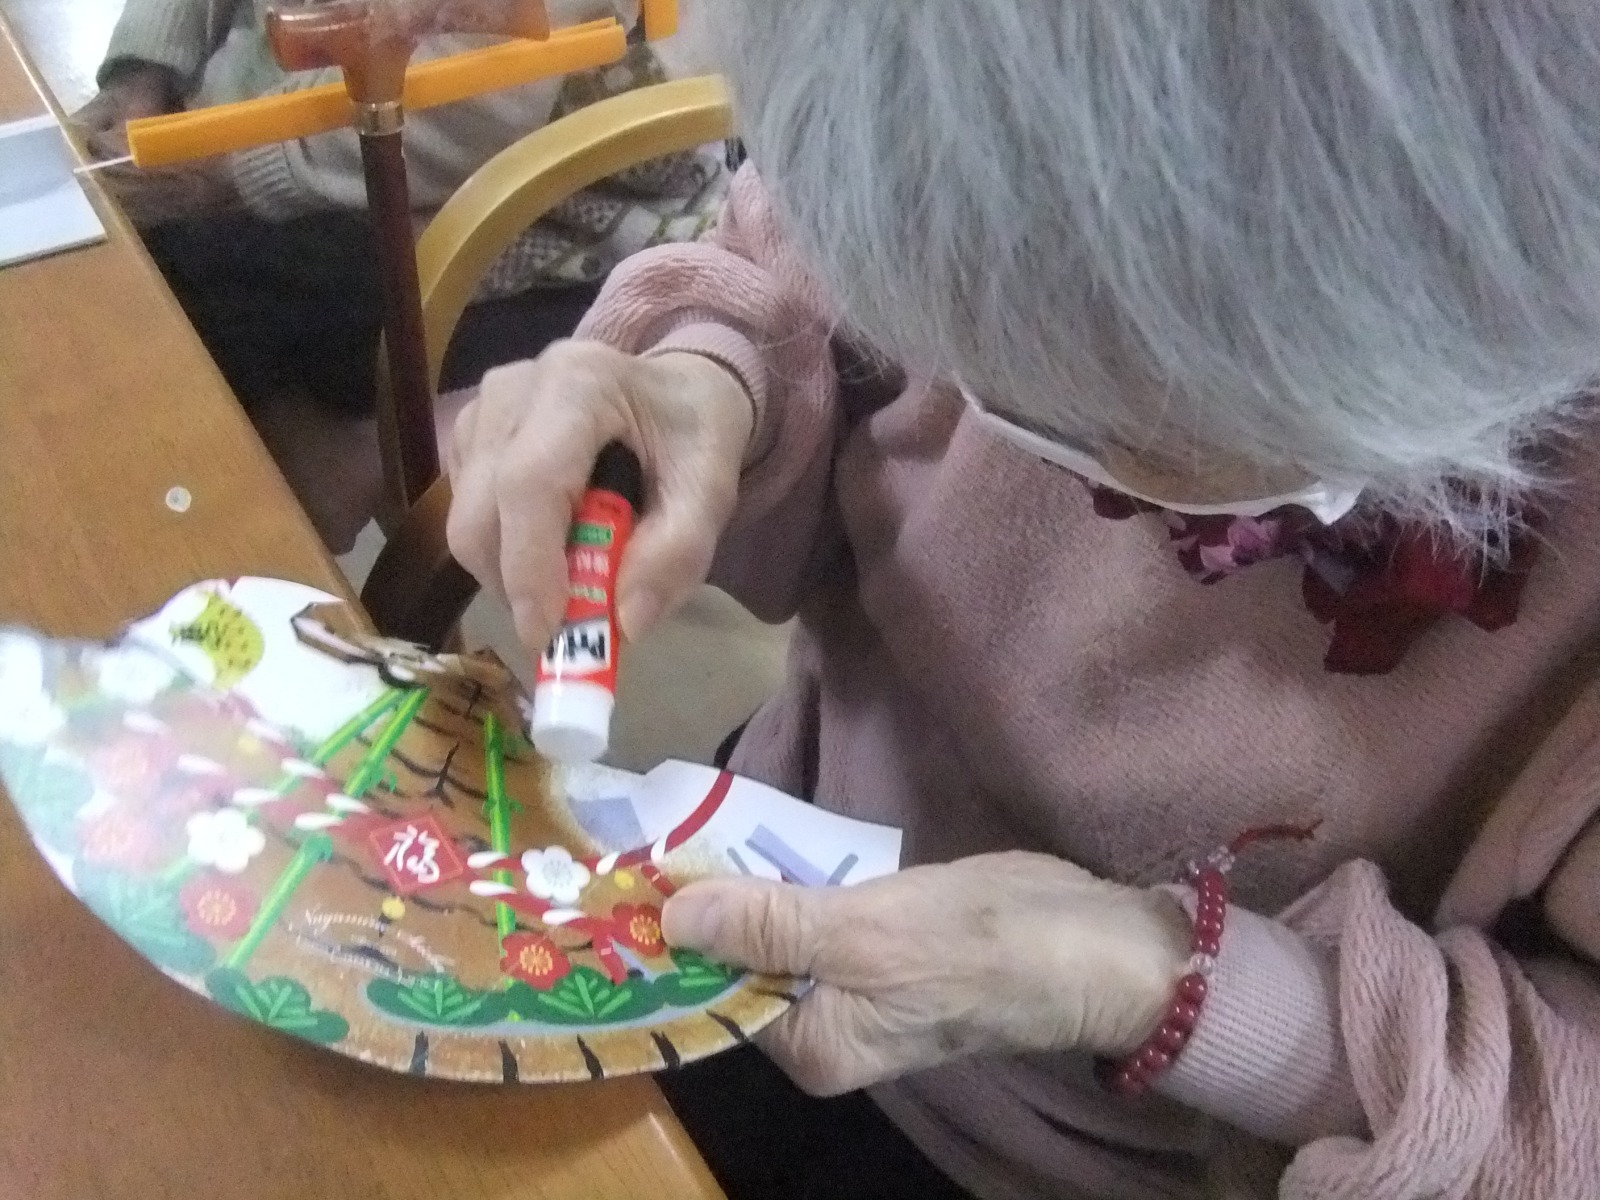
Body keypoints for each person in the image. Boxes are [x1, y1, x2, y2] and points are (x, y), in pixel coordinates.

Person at [447, 3, 1600, 1198]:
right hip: (759, 864)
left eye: (1128, 411)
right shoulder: (954, 75)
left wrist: (1160, 987)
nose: (994, 421)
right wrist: (711, 377)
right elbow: (789, 269)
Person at [72, 0, 725, 550]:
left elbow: (467, 101)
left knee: (170, 285)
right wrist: (142, 75)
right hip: (296, 123)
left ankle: (319, 478)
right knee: (111, 269)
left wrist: (218, 167)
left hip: (543, 215)